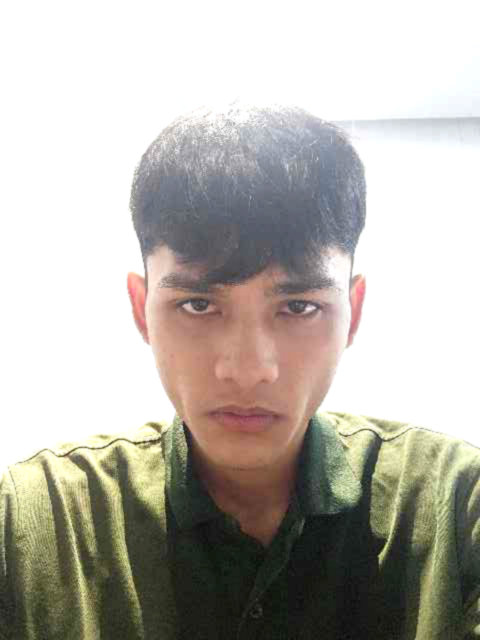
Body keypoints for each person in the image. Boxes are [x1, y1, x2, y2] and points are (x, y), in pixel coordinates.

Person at [0, 103, 479, 640]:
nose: (248, 371)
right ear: (141, 309)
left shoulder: (457, 504)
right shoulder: (32, 522)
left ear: (353, 311)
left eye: (299, 307)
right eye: (198, 305)